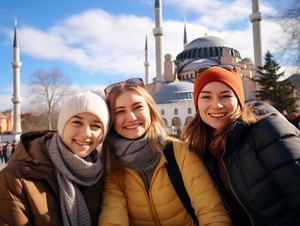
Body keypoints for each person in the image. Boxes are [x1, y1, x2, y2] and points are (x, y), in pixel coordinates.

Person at [98, 78, 231, 226]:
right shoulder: (113, 162)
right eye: (120, 111)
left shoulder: (179, 152)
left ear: (150, 111)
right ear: (111, 119)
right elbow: (113, 213)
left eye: (137, 107)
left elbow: (211, 212)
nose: (131, 117)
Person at [181, 64, 300, 226]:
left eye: (225, 96)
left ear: (238, 100)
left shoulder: (266, 130)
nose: (216, 105)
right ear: (196, 103)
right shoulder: (204, 146)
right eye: (206, 97)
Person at [0, 92, 109, 226]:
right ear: (62, 126)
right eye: (77, 122)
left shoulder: (105, 174)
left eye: (96, 126)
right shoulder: (15, 179)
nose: (86, 133)